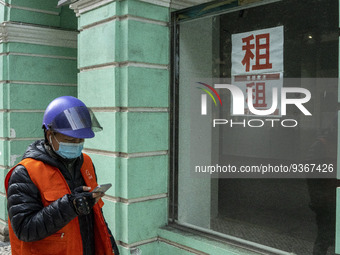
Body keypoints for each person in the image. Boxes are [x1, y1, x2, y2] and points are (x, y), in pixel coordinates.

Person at [5, 96, 120, 255]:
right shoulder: (26, 172)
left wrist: (110, 245)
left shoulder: (85, 162)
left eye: (81, 140)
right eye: (70, 140)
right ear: (49, 135)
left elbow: (95, 216)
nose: (76, 144)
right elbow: (25, 229)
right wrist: (69, 206)